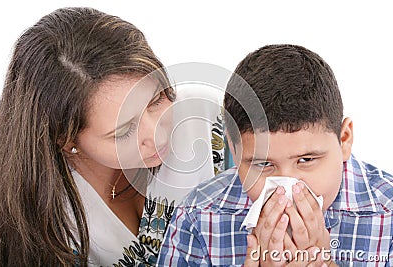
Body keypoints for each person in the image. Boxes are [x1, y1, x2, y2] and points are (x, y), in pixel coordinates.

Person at [0, 7, 224, 266]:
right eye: (124, 130)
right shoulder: (43, 218)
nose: (157, 135)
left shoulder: (206, 119)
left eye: (157, 99)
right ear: (66, 140)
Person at [157, 44, 393, 266]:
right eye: (263, 164)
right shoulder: (198, 215)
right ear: (234, 148)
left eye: (306, 160)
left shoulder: (388, 212)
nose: (286, 189)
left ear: (344, 140)